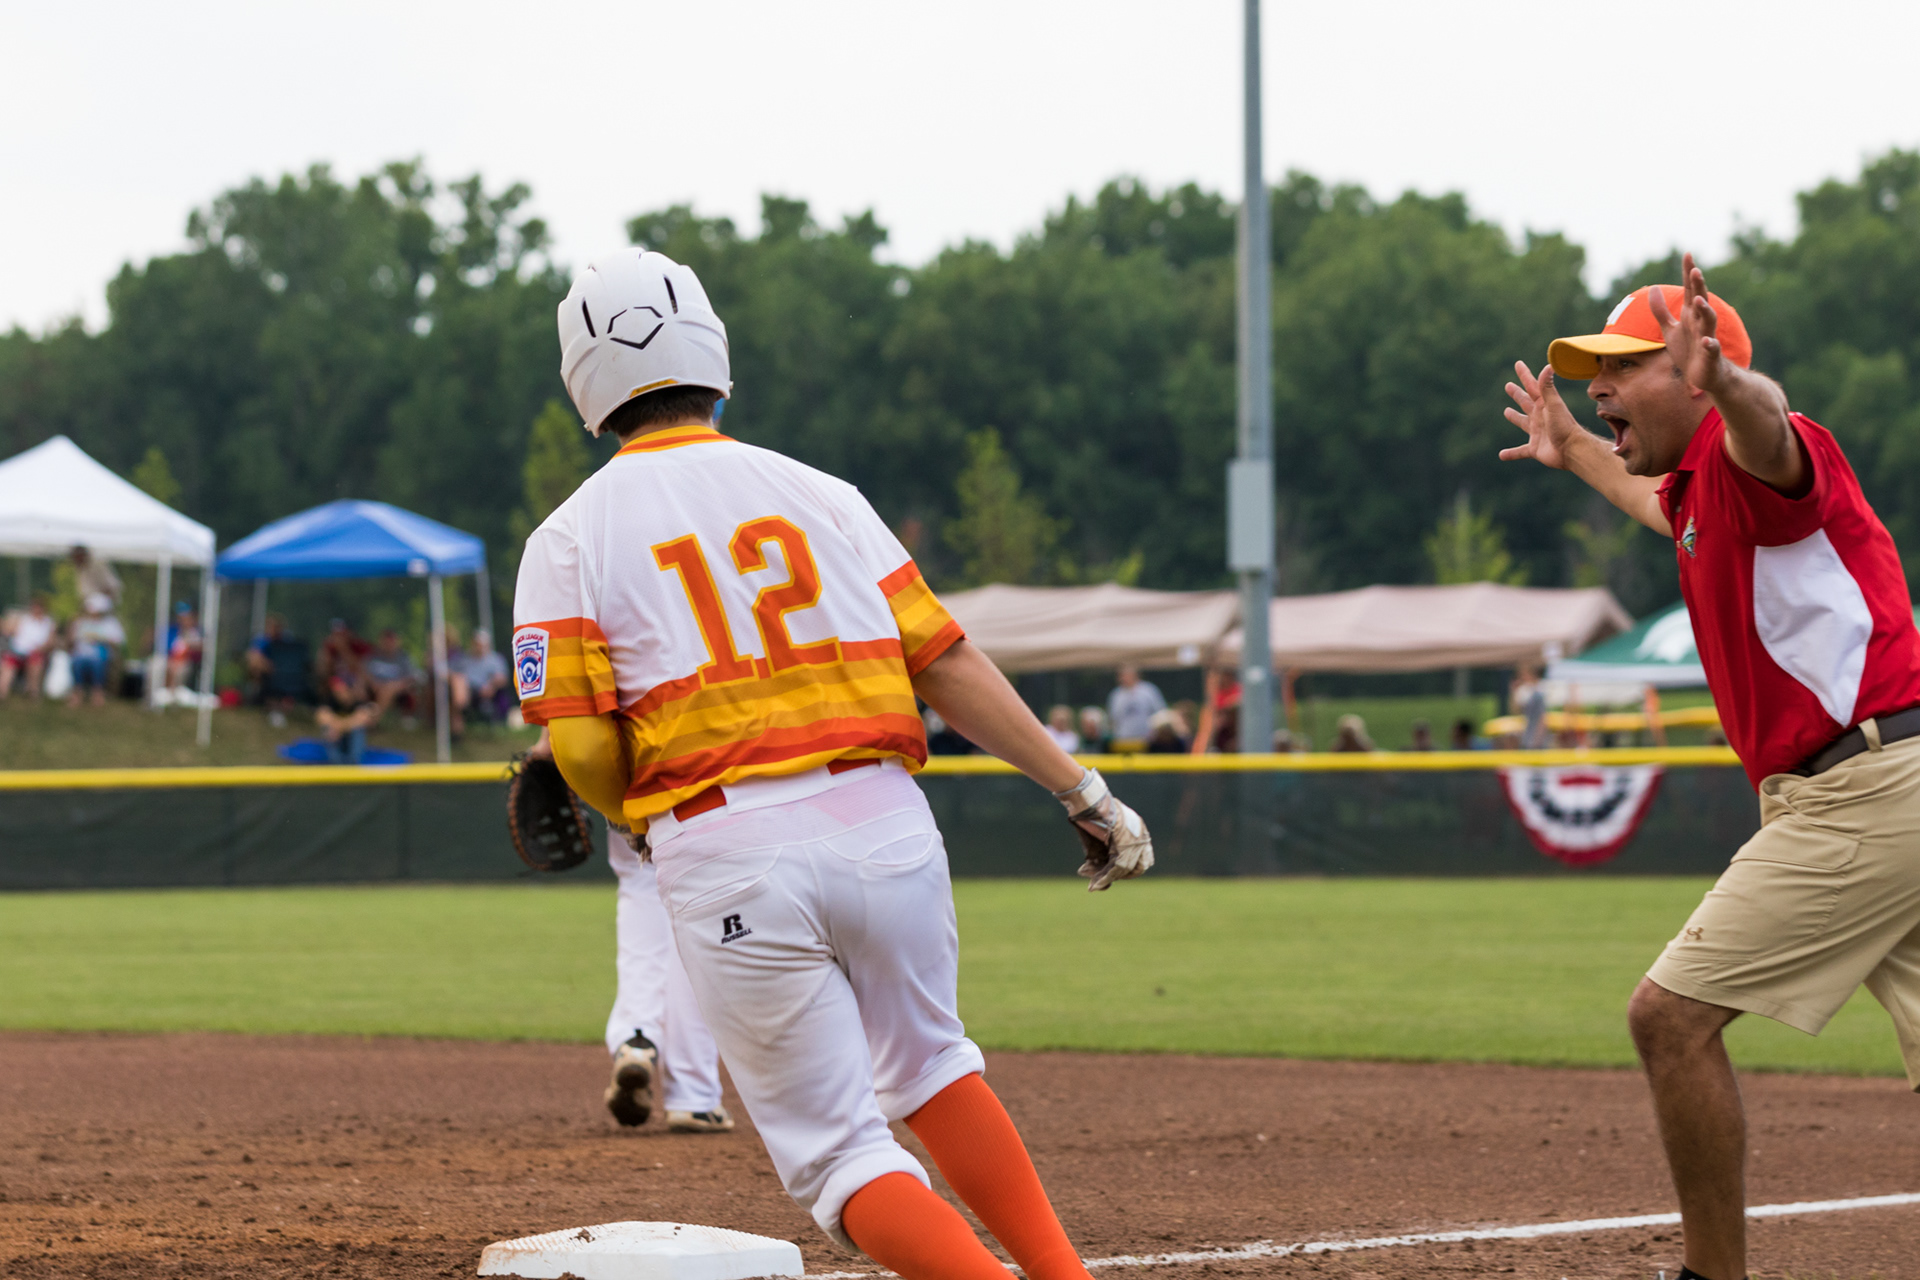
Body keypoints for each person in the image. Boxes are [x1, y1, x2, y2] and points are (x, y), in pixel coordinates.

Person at [515, 249, 1152, 1280]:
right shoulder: (822, 491)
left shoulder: (568, 534)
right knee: (936, 1065)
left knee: (842, 1157)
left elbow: (582, 743)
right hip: (887, 821)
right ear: (714, 355)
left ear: (582, 385)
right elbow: (944, 660)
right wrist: (1084, 790)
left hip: (726, 842)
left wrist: (630, 810)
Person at [1502, 255, 1920, 1280]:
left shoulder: (1762, 460)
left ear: (1694, 370)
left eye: (1622, 365)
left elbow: (1770, 425)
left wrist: (1730, 381)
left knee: (1670, 1017)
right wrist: (1572, 450)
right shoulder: (1700, 496)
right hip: (1891, 781)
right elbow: (1656, 508)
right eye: (1590, 372)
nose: (1596, 386)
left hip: (1863, 792)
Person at [527, 729, 732, 1133]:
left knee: (640, 887)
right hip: (698, 752)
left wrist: (546, 744)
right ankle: (695, 1094)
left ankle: (636, 1037)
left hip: (622, 762)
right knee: (693, 909)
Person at [246, 614, 311, 724]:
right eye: (271, 626)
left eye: (277, 626)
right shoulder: (262, 640)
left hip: (287, 676)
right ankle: (266, 700)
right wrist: (270, 666)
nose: (274, 629)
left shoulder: (287, 641)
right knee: (256, 667)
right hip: (269, 674)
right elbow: (253, 656)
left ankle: (278, 706)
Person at [449, 628, 510, 737]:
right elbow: (449, 671)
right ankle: (460, 714)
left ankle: (462, 709)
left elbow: (502, 678)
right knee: (458, 682)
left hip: (485, 691)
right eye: (477, 643)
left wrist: (491, 685)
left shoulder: (495, 660)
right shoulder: (464, 659)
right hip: (466, 689)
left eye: (481, 644)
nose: (479, 646)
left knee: (459, 690)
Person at [67, 594, 125, 707]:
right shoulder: (80, 622)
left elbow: (118, 641)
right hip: (81, 654)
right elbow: (72, 640)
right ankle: (78, 692)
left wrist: (102, 640)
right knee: (78, 662)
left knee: (97, 663)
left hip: (101, 655)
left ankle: (97, 693)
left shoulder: (110, 623)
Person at [315, 668, 378, 764]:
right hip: (336, 738)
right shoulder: (331, 700)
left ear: (349, 689)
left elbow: (363, 718)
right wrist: (345, 724)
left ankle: (353, 763)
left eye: (341, 689)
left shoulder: (359, 702)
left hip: (349, 739)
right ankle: (336, 763)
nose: (337, 692)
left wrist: (338, 726)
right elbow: (321, 716)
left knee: (357, 730)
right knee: (328, 729)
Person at [0, 595, 56, 700]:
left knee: (35, 662)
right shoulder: (23, 619)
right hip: (17, 651)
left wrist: (40, 649)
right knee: (8, 664)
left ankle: (33, 693)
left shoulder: (48, 623)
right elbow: (8, 630)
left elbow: (50, 642)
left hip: (36, 652)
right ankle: (3, 692)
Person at [364, 628, 421, 723]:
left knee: (388, 689)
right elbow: (364, 673)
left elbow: (411, 677)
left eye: (392, 640)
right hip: (374, 687)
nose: (389, 644)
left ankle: (373, 721)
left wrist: (394, 685)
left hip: (397, 689)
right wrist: (373, 683)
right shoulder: (373, 657)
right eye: (386, 640)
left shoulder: (404, 658)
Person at [1105, 664, 1166, 749]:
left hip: (1147, 741)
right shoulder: (1116, 695)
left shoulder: (1149, 691)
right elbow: (1112, 719)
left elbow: (1160, 713)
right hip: (1123, 741)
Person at [164, 602, 202, 693]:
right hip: (172, 660)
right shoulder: (173, 631)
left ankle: (176, 694)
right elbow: (168, 648)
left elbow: (199, 647)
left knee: (180, 670)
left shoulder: (195, 633)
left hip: (187, 661)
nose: (183, 620)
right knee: (158, 666)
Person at [1510, 664, 1549, 749]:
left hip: (1535, 738)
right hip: (1528, 737)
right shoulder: (1525, 692)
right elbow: (1515, 710)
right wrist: (1514, 691)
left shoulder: (1539, 692)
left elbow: (1542, 717)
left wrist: (1537, 738)